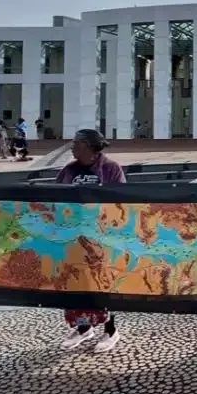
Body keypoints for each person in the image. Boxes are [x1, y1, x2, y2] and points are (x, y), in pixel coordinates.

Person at [56, 128, 127, 353]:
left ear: (88, 147)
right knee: (75, 283)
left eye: (76, 144)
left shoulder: (111, 169)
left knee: (102, 285)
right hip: (73, 239)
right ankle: (83, 328)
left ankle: (110, 330)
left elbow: (122, 203)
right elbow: (53, 199)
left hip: (101, 239)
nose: (72, 148)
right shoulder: (68, 171)